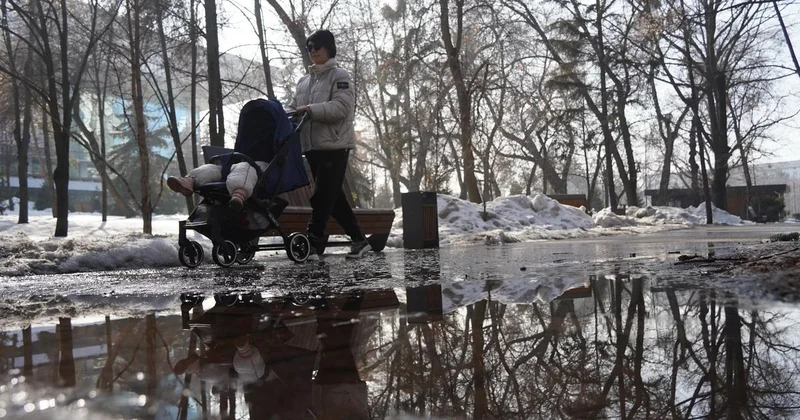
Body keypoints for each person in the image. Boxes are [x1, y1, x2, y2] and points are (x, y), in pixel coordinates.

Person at [287, 29, 372, 261]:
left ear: (329, 48)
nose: (313, 50)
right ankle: (359, 240)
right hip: (312, 147)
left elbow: (342, 108)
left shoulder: (339, 75)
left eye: (317, 46)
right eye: (310, 47)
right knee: (333, 197)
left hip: (335, 146)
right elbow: (294, 107)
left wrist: (311, 111)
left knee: (322, 196)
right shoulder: (303, 82)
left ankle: (312, 242)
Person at [166, 99, 293, 211]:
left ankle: (239, 193)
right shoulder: (252, 140)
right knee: (214, 168)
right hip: (244, 162)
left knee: (244, 167)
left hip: (265, 167)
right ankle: (189, 181)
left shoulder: (273, 140)